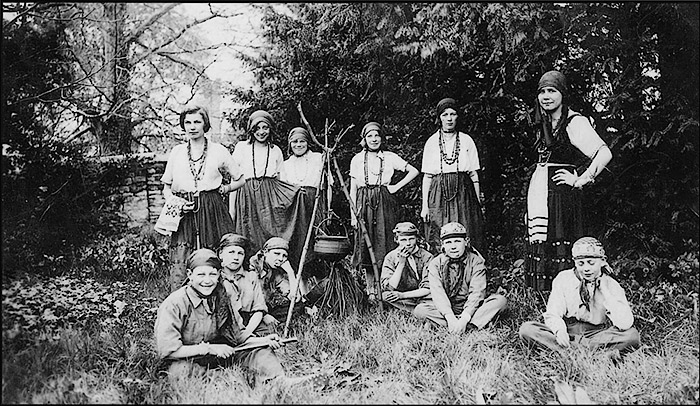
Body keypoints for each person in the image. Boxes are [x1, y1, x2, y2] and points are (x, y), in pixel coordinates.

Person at [525, 70, 613, 291]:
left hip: (563, 196)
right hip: (542, 194)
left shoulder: (574, 121)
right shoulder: (544, 123)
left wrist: (581, 179)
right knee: (543, 239)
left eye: (552, 91)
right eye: (542, 92)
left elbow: (604, 153)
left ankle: (573, 297)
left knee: (563, 241)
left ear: (562, 94)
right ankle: (546, 302)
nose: (546, 96)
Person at [154, 248, 288, 386]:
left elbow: (236, 337)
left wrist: (262, 341)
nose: (207, 281)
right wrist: (209, 348)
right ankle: (231, 381)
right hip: (187, 359)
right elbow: (167, 350)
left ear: (219, 274)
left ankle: (279, 382)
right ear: (190, 274)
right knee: (181, 371)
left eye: (212, 274)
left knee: (260, 352)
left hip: (218, 357)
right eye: (201, 274)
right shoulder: (175, 303)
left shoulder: (222, 297)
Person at [161, 105, 243, 291]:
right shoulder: (177, 152)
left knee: (216, 249)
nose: (192, 126)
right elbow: (166, 187)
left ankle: (221, 296)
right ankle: (184, 299)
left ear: (205, 124)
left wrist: (224, 189)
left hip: (211, 206)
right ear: (183, 125)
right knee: (183, 252)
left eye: (197, 122)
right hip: (184, 209)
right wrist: (176, 204)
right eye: (187, 122)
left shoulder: (218, 150)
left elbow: (240, 179)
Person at [519, 237, 641, 356]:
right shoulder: (564, 278)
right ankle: (596, 356)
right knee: (527, 329)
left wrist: (605, 290)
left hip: (597, 335)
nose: (586, 268)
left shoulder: (611, 284)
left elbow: (625, 323)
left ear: (603, 261)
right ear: (574, 262)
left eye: (591, 263)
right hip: (568, 332)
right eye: (580, 264)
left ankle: (569, 354)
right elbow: (553, 313)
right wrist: (559, 331)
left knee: (632, 336)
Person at [349, 122, 420, 300]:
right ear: (364, 139)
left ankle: (384, 288)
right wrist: (353, 215)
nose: (374, 139)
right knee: (366, 242)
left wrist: (395, 187)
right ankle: (370, 290)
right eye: (370, 136)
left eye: (377, 135)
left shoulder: (389, 156)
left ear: (381, 137)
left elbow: (413, 170)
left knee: (384, 239)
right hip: (363, 202)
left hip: (384, 201)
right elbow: (353, 189)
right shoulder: (357, 159)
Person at [229, 110, 304, 260]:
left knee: (271, 236)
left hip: (269, 199)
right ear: (251, 129)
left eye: (265, 127)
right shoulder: (242, 147)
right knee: (248, 236)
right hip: (247, 196)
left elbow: (281, 180)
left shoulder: (275, 150)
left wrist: (295, 192)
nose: (261, 132)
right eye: (257, 128)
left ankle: (273, 274)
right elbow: (234, 180)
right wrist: (232, 209)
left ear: (271, 129)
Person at [414, 222, 507, 333]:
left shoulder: (476, 261)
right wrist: (449, 316)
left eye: (457, 241)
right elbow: (438, 293)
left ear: (466, 242)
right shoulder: (435, 263)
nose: (453, 246)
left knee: (500, 301)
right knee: (420, 310)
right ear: (442, 244)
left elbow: (477, 293)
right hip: (448, 307)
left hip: (472, 307)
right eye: (448, 242)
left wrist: (465, 318)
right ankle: (471, 325)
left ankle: (462, 325)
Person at [421, 98, 484, 255]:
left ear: (457, 117)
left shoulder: (466, 140)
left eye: (453, 114)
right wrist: (424, 206)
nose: (449, 118)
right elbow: (427, 177)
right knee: (439, 231)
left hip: (463, 191)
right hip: (438, 193)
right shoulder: (431, 142)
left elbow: (474, 174)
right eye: (445, 114)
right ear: (439, 118)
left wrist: (477, 202)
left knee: (466, 229)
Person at [279, 126, 329, 274]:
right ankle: (302, 286)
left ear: (308, 142)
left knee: (317, 240)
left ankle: (321, 285)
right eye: (294, 142)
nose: (298, 145)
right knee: (299, 243)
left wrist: (327, 209)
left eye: (302, 141)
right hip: (295, 208)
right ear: (290, 144)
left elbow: (327, 186)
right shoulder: (286, 164)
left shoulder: (318, 158)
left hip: (315, 203)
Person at [216, 233, 272, 337]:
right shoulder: (216, 277)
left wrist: (248, 332)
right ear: (221, 254)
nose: (236, 257)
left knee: (266, 344)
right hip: (225, 324)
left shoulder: (251, 276)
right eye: (231, 252)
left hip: (251, 323)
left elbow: (259, 308)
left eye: (240, 253)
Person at [380, 222, 434, 313]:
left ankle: (414, 310)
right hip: (403, 296)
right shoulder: (391, 257)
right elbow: (389, 288)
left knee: (436, 295)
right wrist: (401, 263)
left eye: (411, 239)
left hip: (422, 295)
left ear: (416, 239)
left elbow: (428, 288)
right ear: (396, 240)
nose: (408, 243)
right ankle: (419, 310)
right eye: (403, 240)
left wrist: (402, 295)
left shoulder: (427, 257)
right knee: (385, 296)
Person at [249, 237, 304, 325]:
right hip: (250, 309)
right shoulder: (252, 267)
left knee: (298, 306)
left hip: (264, 308)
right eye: (277, 253)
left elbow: (295, 298)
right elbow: (248, 299)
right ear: (265, 252)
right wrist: (264, 315)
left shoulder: (274, 270)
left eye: (284, 256)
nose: (281, 259)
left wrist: (290, 272)